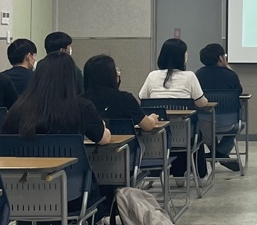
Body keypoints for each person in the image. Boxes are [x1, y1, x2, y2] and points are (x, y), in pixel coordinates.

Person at [140, 38, 210, 176]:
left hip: (157, 134)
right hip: (184, 135)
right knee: (194, 132)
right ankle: (188, 173)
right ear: (181, 57)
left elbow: (142, 99)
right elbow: (201, 103)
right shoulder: (189, 76)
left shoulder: (152, 76)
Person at [3, 54, 110, 143]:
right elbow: (102, 139)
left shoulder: (19, 107)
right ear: (70, 78)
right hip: (70, 162)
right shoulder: (82, 107)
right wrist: (102, 125)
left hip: (26, 162)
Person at [82, 54, 159, 137]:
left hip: (87, 145)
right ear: (110, 75)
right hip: (126, 145)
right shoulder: (125, 99)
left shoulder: (81, 101)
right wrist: (152, 118)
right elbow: (147, 126)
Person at [195, 43, 243, 170]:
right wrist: (228, 68)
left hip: (203, 121)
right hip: (229, 122)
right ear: (221, 58)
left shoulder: (198, 75)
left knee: (205, 129)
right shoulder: (230, 75)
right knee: (240, 124)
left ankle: (215, 153)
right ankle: (221, 153)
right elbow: (239, 92)